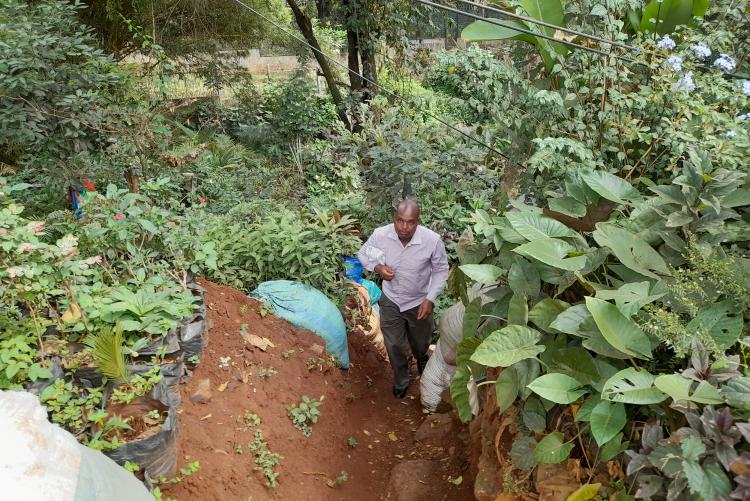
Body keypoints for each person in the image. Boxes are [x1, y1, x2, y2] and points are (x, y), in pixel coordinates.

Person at [357, 199, 449, 399]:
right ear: (394, 218)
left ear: (418, 221)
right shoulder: (381, 235)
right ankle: (402, 379)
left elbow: (441, 270)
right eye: (400, 221)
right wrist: (378, 268)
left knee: (421, 341)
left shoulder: (432, 241)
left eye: (410, 222)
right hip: (391, 299)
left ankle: (422, 357)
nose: (404, 227)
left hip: (419, 301)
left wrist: (430, 298)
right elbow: (363, 254)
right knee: (394, 345)